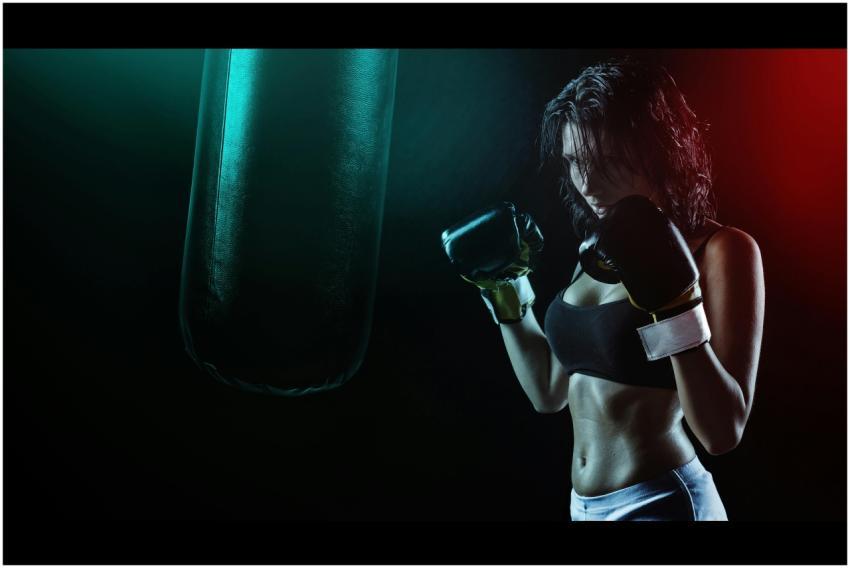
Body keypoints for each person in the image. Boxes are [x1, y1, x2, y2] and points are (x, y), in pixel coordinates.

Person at [442, 58, 765, 521]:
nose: (588, 184)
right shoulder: (595, 251)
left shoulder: (720, 249)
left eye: (607, 162)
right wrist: (506, 287)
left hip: (663, 502)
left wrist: (677, 309)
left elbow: (723, 431)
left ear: (655, 152)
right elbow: (549, 391)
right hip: (583, 508)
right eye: (576, 162)